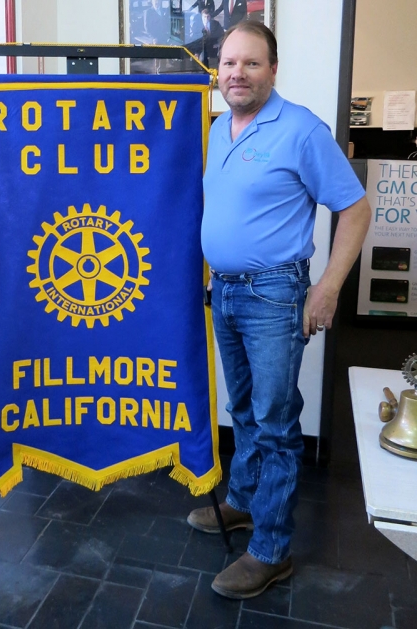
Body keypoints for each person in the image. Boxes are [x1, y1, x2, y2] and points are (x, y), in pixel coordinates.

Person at [188, 22, 371, 599]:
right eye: (228, 64)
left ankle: (271, 549)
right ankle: (243, 499)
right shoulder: (218, 129)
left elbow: (357, 209)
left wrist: (328, 288)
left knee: (275, 422)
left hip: (273, 295)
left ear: (273, 70)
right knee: (241, 406)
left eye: (250, 64)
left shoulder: (301, 130)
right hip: (227, 291)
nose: (236, 73)